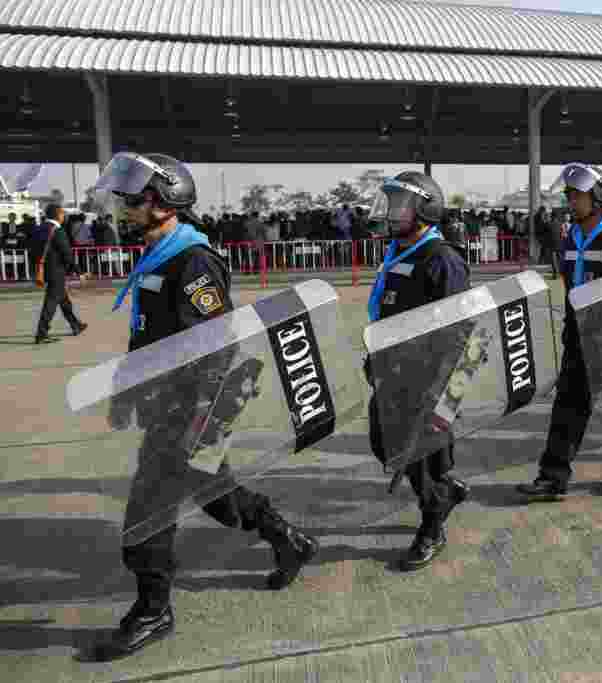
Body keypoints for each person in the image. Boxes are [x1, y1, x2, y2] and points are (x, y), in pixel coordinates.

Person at [90, 152, 318, 661]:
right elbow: (151, 337)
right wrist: (129, 390)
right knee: (216, 493)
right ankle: (287, 537)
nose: (124, 205)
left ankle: (153, 610)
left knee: (146, 515)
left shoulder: (192, 260)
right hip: (165, 401)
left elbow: (215, 346)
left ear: (164, 202)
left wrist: (198, 418)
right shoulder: (158, 253)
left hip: (188, 407)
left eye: (134, 197)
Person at [517, 163, 602, 499]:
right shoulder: (571, 234)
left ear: (598, 196)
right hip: (579, 331)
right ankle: (552, 477)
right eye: (569, 194)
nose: (570, 200)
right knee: (569, 404)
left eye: (576, 194)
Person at [365, 171, 471, 570]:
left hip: (426, 378)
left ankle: (432, 526)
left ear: (424, 210)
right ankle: (446, 490)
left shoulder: (441, 259)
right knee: (384, 445)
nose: (390, 213)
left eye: (399, 206)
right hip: (390, 371)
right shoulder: (397, 252)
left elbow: (460, 332)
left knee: (421, 456)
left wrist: (440, 393)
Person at [31, 203, 88, 344]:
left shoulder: (39, 229)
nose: (64, 216)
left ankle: (76, 325)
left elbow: (32, 249)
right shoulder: (57, 230)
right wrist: (79, 272)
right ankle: (41, 333)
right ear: (58, 214)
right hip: (56, 272)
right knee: (51, 302)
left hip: (44, 269)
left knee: (63, 300)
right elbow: (66, 253)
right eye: (62, 213)